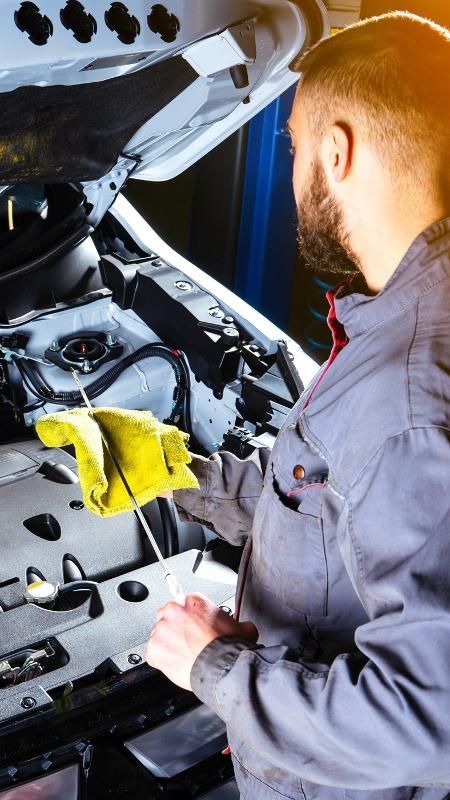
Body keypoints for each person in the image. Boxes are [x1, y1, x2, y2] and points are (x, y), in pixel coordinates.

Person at [145, 12, 450, 800]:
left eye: (292, 147)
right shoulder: (402, 321)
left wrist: (211, 666)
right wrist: (177, 473)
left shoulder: (406, 398)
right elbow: (328, 500)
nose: (292, 171)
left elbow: (425, 721)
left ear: (336, 151)